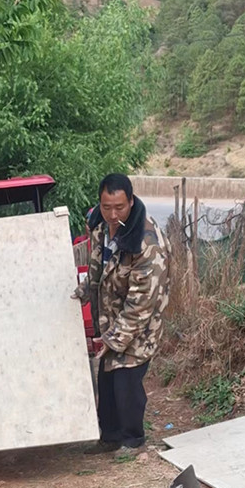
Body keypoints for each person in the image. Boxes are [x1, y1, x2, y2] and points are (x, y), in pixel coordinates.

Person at [73, 173, 169, 456]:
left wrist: (113, 339)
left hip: (140, 326)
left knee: (126, 380)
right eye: (106, 207)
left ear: (131, 202)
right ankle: (110, 437)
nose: (113, 215)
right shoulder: (100, 227)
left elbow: (141, 303)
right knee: (107, 380)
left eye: (119, 207)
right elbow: (98, 267)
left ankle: (133, 440)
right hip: (110, 319)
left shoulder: (147, 242)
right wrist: (84, 291)